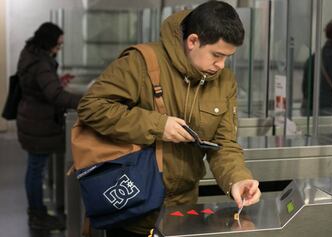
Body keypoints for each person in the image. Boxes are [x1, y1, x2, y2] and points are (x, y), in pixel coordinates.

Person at [76, 1, 261, 236]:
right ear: (193, 41)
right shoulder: (141, 62)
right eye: (216, 55)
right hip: (135, 208)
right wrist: (158, 125)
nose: (221, 65)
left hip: (183, 212)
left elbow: (223, 144)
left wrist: (237, 180)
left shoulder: (224, 82)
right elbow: (92, 107)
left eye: (228, 57)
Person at [16, 22, 82, 230]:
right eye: (58, 44)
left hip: (31, 117)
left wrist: (56, 80)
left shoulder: (31, 53)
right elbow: (54, 95)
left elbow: (40, 85)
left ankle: (37, 212)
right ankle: (38, 215)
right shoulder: (41, 62)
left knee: (34, 169)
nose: (58, 48)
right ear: (49, 42)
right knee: (36, 170)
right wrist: (85, 102)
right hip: (38, 123)